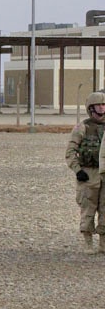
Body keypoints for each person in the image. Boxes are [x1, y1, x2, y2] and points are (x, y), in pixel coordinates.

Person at [70, 92, 105, 252]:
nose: (102, 108)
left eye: (104, 105)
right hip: (89, 174)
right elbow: (70, 152)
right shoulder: (82, 127)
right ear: (91, 108)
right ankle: (88, 242)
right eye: (99, 105)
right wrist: (78, 170)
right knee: (88, 207)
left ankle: (103, 244)